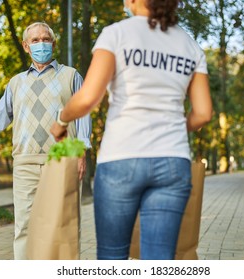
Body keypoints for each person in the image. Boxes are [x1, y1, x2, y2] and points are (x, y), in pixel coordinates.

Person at [51, 0, 212, 260]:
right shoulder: (190, 45)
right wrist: (174, 128)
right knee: (159, 261)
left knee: (113, 257)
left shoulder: (116, 33)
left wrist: (61, 121)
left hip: (121, 158)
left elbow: (89, 97)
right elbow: (203, 113)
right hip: (173, 161)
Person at [0, 22, 92, 260]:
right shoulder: (16, 83)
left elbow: (83, 114)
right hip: (25, 163)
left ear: (54, 43)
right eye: (35, 41)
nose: (41, 44)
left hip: (63, 162)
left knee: (64, 227)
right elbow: (1, 113)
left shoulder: (70, 76)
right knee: (25, 228)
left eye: (46, 39)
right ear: (26, 47)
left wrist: (82, 152)